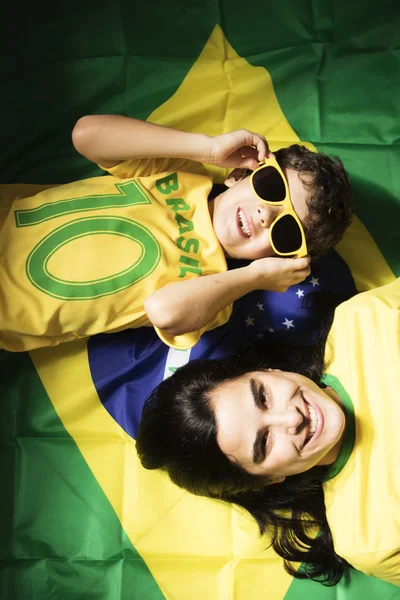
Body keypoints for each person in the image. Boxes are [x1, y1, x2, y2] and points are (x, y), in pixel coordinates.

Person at [0, 115, 351, 352]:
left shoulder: (216, 292)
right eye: (271, 186)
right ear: (242, 174)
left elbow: (163, 311)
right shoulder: (182, 172)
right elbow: (86, 134)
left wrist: (256, 277)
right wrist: (207, 150)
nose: (264, 215)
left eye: (286, 231)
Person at [136, 278, 400, 587]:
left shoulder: (363, 320)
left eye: (263, 396)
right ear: (268, 479)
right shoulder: (369, 538)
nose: (291, 417)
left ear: (267, 371)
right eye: (264, 443)